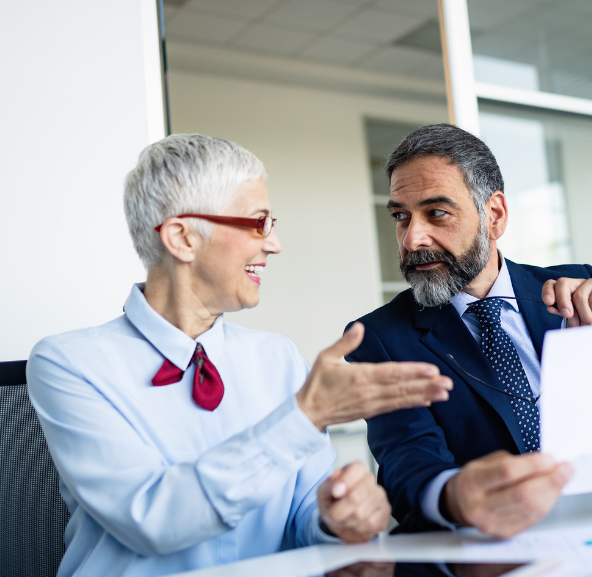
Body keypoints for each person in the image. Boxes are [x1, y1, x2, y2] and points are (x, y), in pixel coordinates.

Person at [26, 134, 453, 577]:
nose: (274, 244)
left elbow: (306, 514)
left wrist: (336, 520)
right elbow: (151, 519)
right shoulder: (70, 364)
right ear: (182, 238)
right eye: (258, 223)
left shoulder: (277, 358)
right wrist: (301, 418)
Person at [346, 124, 592, 537]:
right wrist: (454, 495)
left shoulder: (579, 290)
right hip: (495, 549)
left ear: (494, 216)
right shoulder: (380, 338)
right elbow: (405, 461)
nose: (412, 238)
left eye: (436, 213)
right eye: (400, 216)